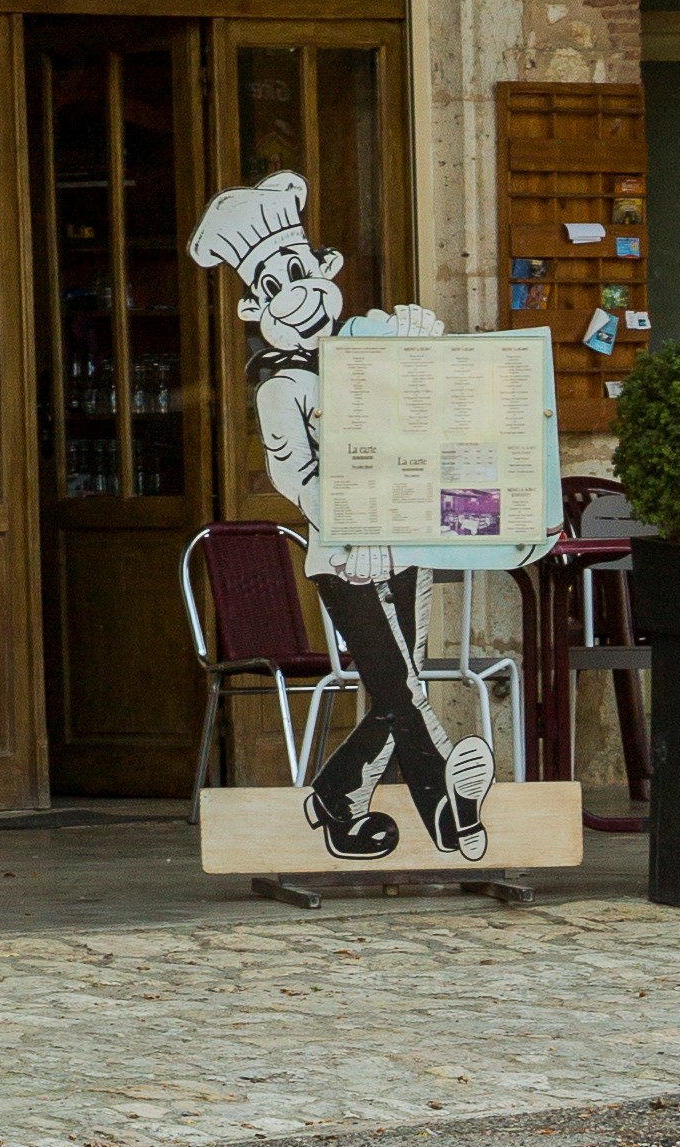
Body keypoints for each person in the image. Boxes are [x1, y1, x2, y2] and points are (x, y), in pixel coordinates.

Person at [188, 172, 490, 864]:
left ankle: (336, 798)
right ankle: (449, 810)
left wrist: (418, 341)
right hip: (345, 553)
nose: (293, 291)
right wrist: (350, 521)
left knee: (393, 690)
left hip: (404, 536)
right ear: (254, 306)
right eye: (273, 283)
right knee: (402, 685)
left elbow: (427, 401)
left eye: (297, 270)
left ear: (323, 271)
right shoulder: (281, 386)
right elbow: (295, 474)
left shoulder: (364, 347)